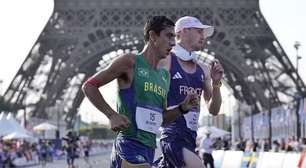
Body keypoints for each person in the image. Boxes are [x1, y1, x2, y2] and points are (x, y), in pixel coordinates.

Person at [82, 16, 199, 168]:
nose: (173, 42)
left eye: (175, 37)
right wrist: (112, 115)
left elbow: (161, 118)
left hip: (148, 149)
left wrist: (182, 108)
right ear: (152, 36)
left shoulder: (165, 76)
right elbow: (89, 86)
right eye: (169, 35)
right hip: (128, 145)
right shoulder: (130, 62)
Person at [156, 16, 224, 168]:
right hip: (172, 136)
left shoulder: (204, 70)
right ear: (184, 31)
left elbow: (214, 110)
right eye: (199, 31)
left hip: (191, 139)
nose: (203, 37)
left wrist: (216, 83)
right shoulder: (165, 61)